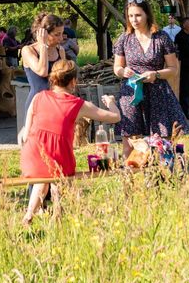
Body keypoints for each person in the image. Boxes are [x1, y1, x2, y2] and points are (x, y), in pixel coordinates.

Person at [18, 60, 120, 225]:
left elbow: (26, 134)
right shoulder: (79, 104)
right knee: (59, 176)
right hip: (58, 158)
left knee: (43, 179)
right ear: (73, 81)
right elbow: (115, 117)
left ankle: (29, 215)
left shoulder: (38, 97)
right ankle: (60, 216)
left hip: (32, 156)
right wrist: (111, 103)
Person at [113, 0, 189, 156]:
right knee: (130, 143)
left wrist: (156, 74)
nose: (134, 20)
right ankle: (130, 177)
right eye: (130, 16)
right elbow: (117, 68)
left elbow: (174, 69)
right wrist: (123, 72)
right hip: (132, 93)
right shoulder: (124, 38)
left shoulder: (161, 38)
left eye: (138, 15)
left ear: (147, 14)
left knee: (163, 143)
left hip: (158, 92)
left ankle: (164, 175)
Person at [21, 12, 66, 113]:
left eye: (62, 34)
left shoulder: (60, 51)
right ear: (43, 33)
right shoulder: (28, 50)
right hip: (37, 105)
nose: (61, 38)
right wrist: (43, 46)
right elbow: (43, 71)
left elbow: (63, 79)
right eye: (57, 34)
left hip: (56, 104)